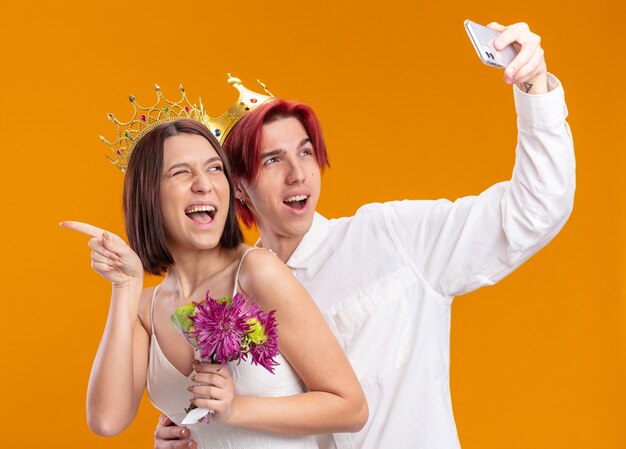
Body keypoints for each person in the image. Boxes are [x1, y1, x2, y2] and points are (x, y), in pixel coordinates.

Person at [154, 21, 575, 449]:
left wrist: (534, 86)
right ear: (238, 186)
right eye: (273, 160)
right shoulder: (227, 301)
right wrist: (192, 430)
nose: (298, 174)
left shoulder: (390, 236)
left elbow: (530, 213)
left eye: (305, 152)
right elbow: (235, 412)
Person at [62, 117, 367, 448]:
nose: (204, 184)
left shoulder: (256, 273)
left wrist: (235, 409)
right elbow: (108, 420)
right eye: (181, 172)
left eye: (214, 169)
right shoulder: (143, 309)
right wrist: (124, 286)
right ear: (148, 194)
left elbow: (350, 407)